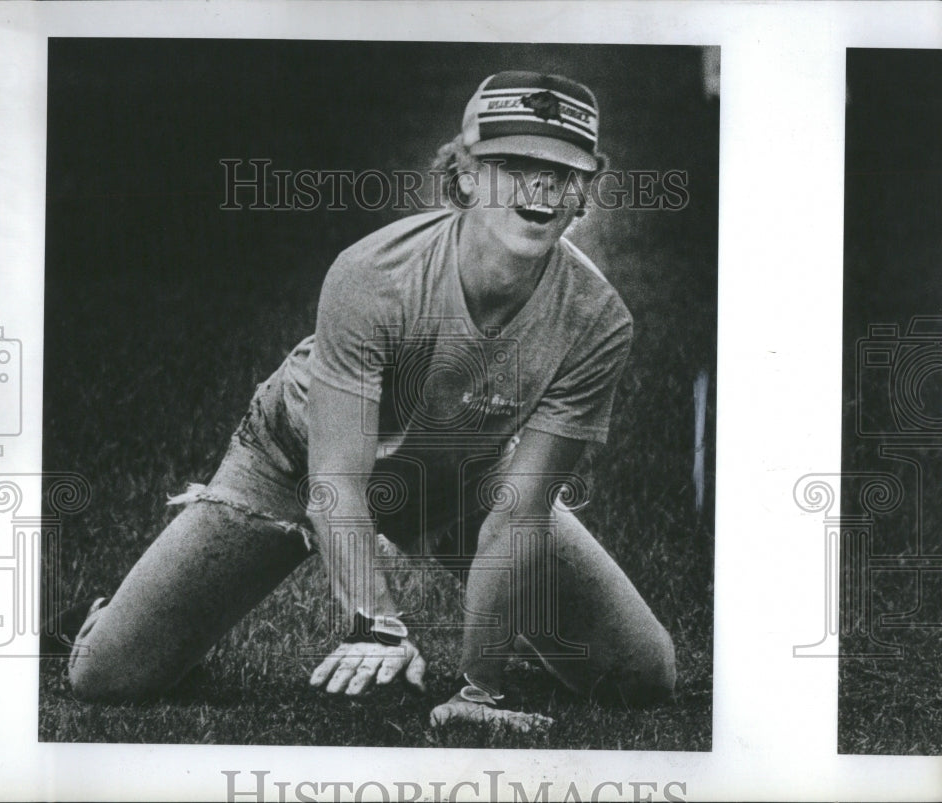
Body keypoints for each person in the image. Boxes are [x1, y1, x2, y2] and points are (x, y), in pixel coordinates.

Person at [59, 70, 676, 733]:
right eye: (513, 163)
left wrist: (479, 689)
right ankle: (102, 616)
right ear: (464, 173)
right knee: (108, 675)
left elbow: (519, 511)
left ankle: (507, 640)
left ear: (585, 189)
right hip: (301, 458)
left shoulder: (598, 319)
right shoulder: (372, 274)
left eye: (563, 169)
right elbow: (336, 481)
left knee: (641, 673)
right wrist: (376, 622)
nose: (540, 187)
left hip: (460, 471)